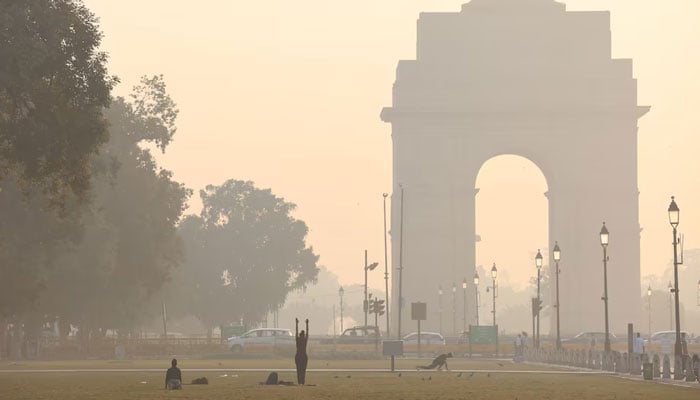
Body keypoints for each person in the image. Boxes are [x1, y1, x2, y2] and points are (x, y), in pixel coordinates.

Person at [295, 318, 309, 385]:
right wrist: (307, 324)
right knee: (303, 370)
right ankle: (302, 381)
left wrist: (297, 323)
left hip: (298, 356)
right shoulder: (304, 340)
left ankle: (299, 381)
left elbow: (296, 331)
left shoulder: (298, 340)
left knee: (299, 370)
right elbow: (307, 332)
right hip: (303, 356)